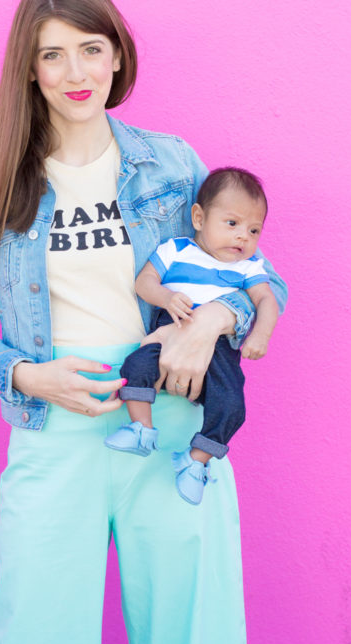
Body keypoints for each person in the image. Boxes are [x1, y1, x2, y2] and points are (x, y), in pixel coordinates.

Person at [0, 0, 287, 644]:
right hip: (54, 429)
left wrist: (214, 322)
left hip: (174, 428)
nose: (74, 74)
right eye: (52, 55)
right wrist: (29, 376)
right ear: (28, 70)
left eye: (90, 50)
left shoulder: (172, 167)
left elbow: (261, 274)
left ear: (118, 57)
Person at [104, 167, 279, 505]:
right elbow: (145, 283)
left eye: (254, 229)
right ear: (199, 218)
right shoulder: (176, 250)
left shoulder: (248, 267)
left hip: (221, 352)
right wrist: (167, 298)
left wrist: (261, 335)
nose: (243, 236)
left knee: (232, 407)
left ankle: (195, 461)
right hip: (168, 334)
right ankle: (142, 429)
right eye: (232, 224)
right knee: (136, 364)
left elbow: (266, 300)